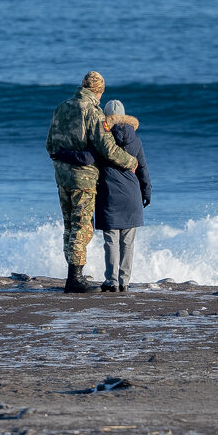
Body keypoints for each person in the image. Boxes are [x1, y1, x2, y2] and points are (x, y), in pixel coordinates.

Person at [46, 71, 138, 294]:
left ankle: (72, 275)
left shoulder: (62, 107)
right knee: (82, 227)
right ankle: (75, 280)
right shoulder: (92, 111)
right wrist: (130, 161)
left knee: (69, 225)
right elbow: (107, 148)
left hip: (62, 177)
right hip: (83, 179)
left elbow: (50, 145)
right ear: (100, 91)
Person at [93, 100, 151, 292]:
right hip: (132, 197)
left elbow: (89, 161)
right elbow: (142, 168)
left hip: (110, 196)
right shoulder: (137, 140)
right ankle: (124, 282)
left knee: (111, 241)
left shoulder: (104, 139)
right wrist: (147, 192)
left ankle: (111, 281)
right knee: (127, 242)